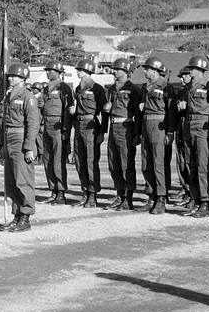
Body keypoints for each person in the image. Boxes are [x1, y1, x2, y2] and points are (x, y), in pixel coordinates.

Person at [177, 56, 209, 218]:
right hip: (188, 127)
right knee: (190, 166)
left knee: (202, 166)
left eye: (192, 69)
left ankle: (205, 202)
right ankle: (195, 199)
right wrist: (181, 107)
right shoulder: (187, 88)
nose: (190, 71)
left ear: (200, 70)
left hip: (203, 127)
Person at [2, 62, 41, 232]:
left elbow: (33, 124)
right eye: (10, 76)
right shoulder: (9, 96)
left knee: (23, 180)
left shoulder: (28, 97)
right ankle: (16, 215)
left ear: (23, 78)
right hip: (9, 137)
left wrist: (29, 147)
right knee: (11, 181)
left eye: (14, 76)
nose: (10, 78)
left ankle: (25, 217)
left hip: (21, 137)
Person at [136, 57, 172, 214]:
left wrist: (170, 132)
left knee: (159, 163)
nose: (145, 71)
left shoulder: (165, 87)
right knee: (146, 163)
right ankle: (151, 196)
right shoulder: (144, 88)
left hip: (159, 126)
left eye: (147, 69)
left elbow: (172, 112)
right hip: (146, 125)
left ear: (156, 70)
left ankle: (161, 198)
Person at [105, 58, 140, 211]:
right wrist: (107, 108)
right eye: (114, 69)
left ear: (126, 71)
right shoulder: (111, 89)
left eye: (117, 69)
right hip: (113, 126)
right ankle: (119, 195)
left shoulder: (133, 89)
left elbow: (138, 113)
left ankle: (128, 198)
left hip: (126, 127)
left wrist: (137, 134)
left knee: (127, 164)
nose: (114, 71)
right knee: (114, 163)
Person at [73, 58, 107, 208]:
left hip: (91, 125)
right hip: (78, 124)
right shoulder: (77, 88)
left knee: (91, 161)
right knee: (79, 160)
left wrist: (102, 132)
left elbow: (104, 112)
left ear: (87, 71)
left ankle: (93, 194)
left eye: (80, 70)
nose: (78, 72)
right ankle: (84, 191)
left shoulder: (97, 88)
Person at [41, 60, 75, 205]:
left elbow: (68, 111)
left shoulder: (64, 88)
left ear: (58, 72)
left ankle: (61, 192)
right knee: (47, 160)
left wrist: (66, 131)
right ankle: (53, 190)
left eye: (50, 70)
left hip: (58, 125)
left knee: (58, 161)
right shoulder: (45, 89)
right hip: (47, 125)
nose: (47, 72)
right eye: (47, 70)